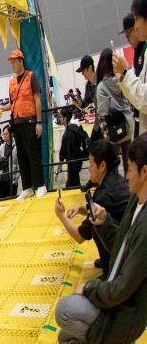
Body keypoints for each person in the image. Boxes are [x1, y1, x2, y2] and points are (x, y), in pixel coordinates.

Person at [53, 136, 147, 344]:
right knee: (65, 338)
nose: (127, 176)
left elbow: (120, 289)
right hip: (114, 285)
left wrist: (89, 288)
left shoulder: (143, 224)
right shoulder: (135, 198)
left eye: (130, 169)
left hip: (126, 313)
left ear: (144, 172)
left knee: (64, 311)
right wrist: (104, 223)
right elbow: (120, 246)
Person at [55, 138, 130, 274]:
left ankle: (110, 267)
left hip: (125, 256)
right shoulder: (116, 180)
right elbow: (103, 209)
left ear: (102, 166)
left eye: (91, 164)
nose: (89, 169)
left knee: (96, 226)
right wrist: (81, 208)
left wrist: (61, 215)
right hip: (128, 243)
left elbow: (79, 236)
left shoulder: (104, 195)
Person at [0, 49, 46, 199]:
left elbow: (37, 99)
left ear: (21, 61)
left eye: (15, 61)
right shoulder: (12, 82)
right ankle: (27, 188)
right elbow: (13, 103)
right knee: (22, 156)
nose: (13, 64)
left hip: (30, 121)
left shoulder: (31, 76)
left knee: (33, 154)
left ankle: (40, 185)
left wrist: (39, 122)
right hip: (17, 123)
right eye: (11, 62)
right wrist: (1, 109)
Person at [96, 48, 134, 172]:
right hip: (128, 125)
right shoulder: (122, 79)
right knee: (130, 167)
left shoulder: (102, 86)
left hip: (113, 130)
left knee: (112, 168)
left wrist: (104, 134)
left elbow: (103, 112)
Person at [58, 107, 90, 189]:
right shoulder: (75, 127)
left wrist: (59, 167)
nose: (59, 118)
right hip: (78, 160)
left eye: (60, 117)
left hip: (72, 163)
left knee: (72, 185)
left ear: (65, 118)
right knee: (74, 183)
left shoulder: (67, 134)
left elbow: (63, 152)